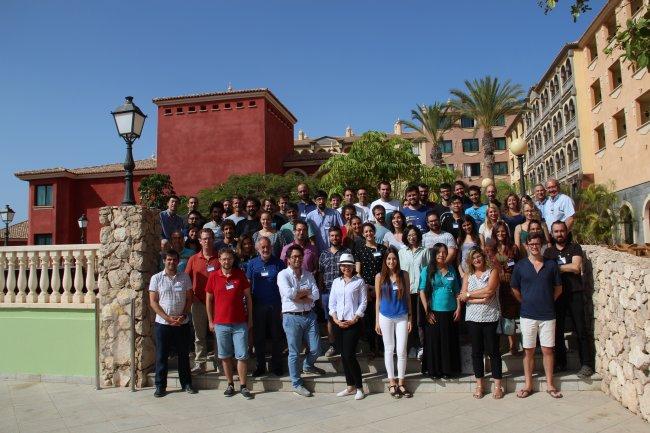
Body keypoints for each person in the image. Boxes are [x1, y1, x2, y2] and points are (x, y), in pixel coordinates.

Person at [511, 232, 563, 399]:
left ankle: (549, 384)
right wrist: (525, 302)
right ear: (526, 246)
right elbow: (515, 289)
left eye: (537, 244)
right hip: (527, 314)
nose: (534, 246)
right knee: (529, 350)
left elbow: (558, 288)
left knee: (548, 350)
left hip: (548, 314)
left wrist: (548, 300)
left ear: (541, 245)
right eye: (531, 244)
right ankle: (528, 385)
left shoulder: (551, 264)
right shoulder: (520, 266)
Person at [545, 221, 594, 378]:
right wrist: (566, 266)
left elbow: (576, 267)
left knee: (581, 329)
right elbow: (549, 272)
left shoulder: (575, 247)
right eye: (556, 231)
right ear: (552, 234)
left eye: (562, 231)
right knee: (557, 331)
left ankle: (586, 364)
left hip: (575, 293)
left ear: (566, 232)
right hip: (557, 295)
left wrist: (556, 268)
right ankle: (560, 363)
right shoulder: (548, 252)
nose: (559, 234)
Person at [205, 248, 254, 400]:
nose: (227, 261)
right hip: (221, 323)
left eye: (229, 259)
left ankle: (244, 386)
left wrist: (250, 318)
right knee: (225, 356)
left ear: (233, 259)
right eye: (224, 259)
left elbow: (248, 297)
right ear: (219, 260)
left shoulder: (240, 274)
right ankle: (230, 384)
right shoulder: (213, 276)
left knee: (242, 355)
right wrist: (210, 320)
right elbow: (208, 300)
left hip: (240, 323)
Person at [277, 245, 326, 397]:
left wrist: (300, 295)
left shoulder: (308, 274)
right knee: (294, 353)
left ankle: (308, 365)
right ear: (288, 259)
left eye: (299, 256)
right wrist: (305, 293)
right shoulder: (283, 275)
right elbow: (289, 294)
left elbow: (316, 294)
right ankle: (296, 383)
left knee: (317, 348)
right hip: (291, 317)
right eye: (294, 257)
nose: (297, 259)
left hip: (309, 315)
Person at [149, 250, 196, 397]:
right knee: (161, 356)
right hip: (163, 324)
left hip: (182, 323)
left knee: (183, 355)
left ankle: (186, 383)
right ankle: (160, 386)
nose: (172, 262)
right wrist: (167, 318)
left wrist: (183, 315)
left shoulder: (185, 277)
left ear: (178, 261)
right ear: (164, 260)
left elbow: (189, 299)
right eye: (169, 259)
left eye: (174, 260)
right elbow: (153, 302)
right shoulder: (156, 278)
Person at [458, 248, 503, 399]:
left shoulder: (493, 272)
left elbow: (490, 291)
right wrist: (480, 298)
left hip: (490, 317)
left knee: (493, 351)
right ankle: (479, 385)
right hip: (472, 318)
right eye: (473, 258)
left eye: (479, 256)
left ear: (483, 258)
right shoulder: (467, 275)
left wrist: (470, 295)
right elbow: (462, 297)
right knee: (476, 352)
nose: (477, 259)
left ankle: (497, 385)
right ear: (470, 261)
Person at [418, 243, 461, 379]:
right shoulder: (427, 270)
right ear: (434, 254)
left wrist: (459, 308)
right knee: (434, 342)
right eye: (439, 252)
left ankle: (448, 370)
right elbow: (422, 291)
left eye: (444, 252)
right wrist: (427, 311)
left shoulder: (451, 269)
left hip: (450, 311)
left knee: (448, 341)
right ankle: (435, 371)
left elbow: (457, 291)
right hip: (434, 311)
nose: (442, 255)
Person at [329, 253, 367, 400]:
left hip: (353, 323)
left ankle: (359, 387)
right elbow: (332, 303)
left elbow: (363, 302)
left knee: (349, 355)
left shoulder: (359, 281)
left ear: (353, 267)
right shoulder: (336, 282)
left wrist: (355, 318)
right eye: (343, 265)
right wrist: (336, 319)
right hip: (339, 323)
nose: (346, 268)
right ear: (340, 267)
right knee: (343, 356)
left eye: (349, 265)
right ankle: (350, 386)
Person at [246, 236, 286, 377]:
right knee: (259, 338)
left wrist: (283, 307)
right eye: (262, 247)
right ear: (257, 248)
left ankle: (277, 366)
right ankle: (260, 366)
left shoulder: (279, 263)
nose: (265, 249)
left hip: (275, 305)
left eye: (267, 246)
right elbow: (248, 285)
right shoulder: (252, 264)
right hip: (258, 306)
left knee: (277, 337)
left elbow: (284, 286)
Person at [376, 247, 412, 398]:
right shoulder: (380, 276)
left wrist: (410, 317)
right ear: (385, 260)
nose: (391, 261)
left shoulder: (404, 275)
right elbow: (377, 299)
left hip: (402, 316)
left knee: (402, 350)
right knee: (389, 349)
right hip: (385, 316)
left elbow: (408, 298)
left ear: (397, 259)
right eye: (389, 259)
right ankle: (392, 382)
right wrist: (376, 321)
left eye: (394, 258)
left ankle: (402, 382)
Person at [184, 229, 221, 375]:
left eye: (209, 238)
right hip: (198, 302)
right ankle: (200, 364)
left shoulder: (219, 258)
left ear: (213, 239)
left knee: (218, 334)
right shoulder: (193, 259)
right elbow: (186, 279)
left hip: (217, 303)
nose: (207, 241)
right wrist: (190, 296)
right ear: (200, 241)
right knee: (199, 335)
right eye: (204, 239)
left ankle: (220, 362)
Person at [355, 223, 387, 358]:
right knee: (369, 320)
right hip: (366, 289)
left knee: (382, 318)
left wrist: (378, 287)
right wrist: (366, 288)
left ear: (374, 232)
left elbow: (386, 269)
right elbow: (357, 272)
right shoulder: (360, 250)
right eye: (366, 232)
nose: (368, 233)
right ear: (363, 234)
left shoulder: (383, 248)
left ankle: (383, 347)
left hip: (382, 288)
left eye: (370, 231)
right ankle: (373, 349)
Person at [317, 227, 351, 357]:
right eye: (332, 236)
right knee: (330, 320)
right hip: (327, 292)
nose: (335, 238)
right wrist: (320, 293)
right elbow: (320, 274)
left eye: (337, 235)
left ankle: (344, 345)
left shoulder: (347, 252)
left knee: (344, 317)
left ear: (341, 236)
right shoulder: (324, 254)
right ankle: (333, 345)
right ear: (328, 237)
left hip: (344, 292)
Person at [398, 226, 430, 360]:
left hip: (420, 291)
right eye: (409, 235)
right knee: (407, 320)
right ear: (405, 237)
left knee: (420, 321)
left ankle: (422, 346)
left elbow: (428, 271)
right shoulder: (401, 252)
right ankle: (411, 346)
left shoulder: (425, 251)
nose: (412, 237)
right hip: (406, 291)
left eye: (414, 234)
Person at [492, 221, 521, 355]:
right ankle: (496, 345)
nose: (501, 234)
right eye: (498, 232)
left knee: (509, 315)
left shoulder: (513, 248)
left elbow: (519, 266)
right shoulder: (490, 249)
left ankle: (512, 345)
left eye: (503, 231)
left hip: (510, 284)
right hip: (496, 284)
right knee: (496, 314)